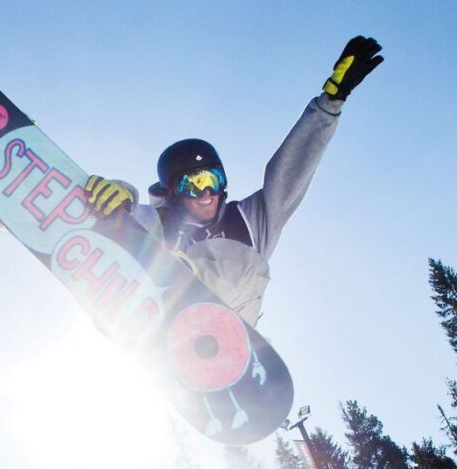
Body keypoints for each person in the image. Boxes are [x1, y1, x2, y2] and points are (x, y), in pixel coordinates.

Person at [83, 37, 383, 329]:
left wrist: (329, 104)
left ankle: (186, 289)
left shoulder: (250, 222)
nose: (206, 193)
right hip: (150, 321)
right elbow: (131, 214)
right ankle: (145, 301)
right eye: (193, 184)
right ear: (172, 192)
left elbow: (292, 170)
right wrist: (118, 194)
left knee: (238, 259)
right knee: (134, 225)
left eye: (213, 180)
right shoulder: (160, 220)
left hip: (226, 328)